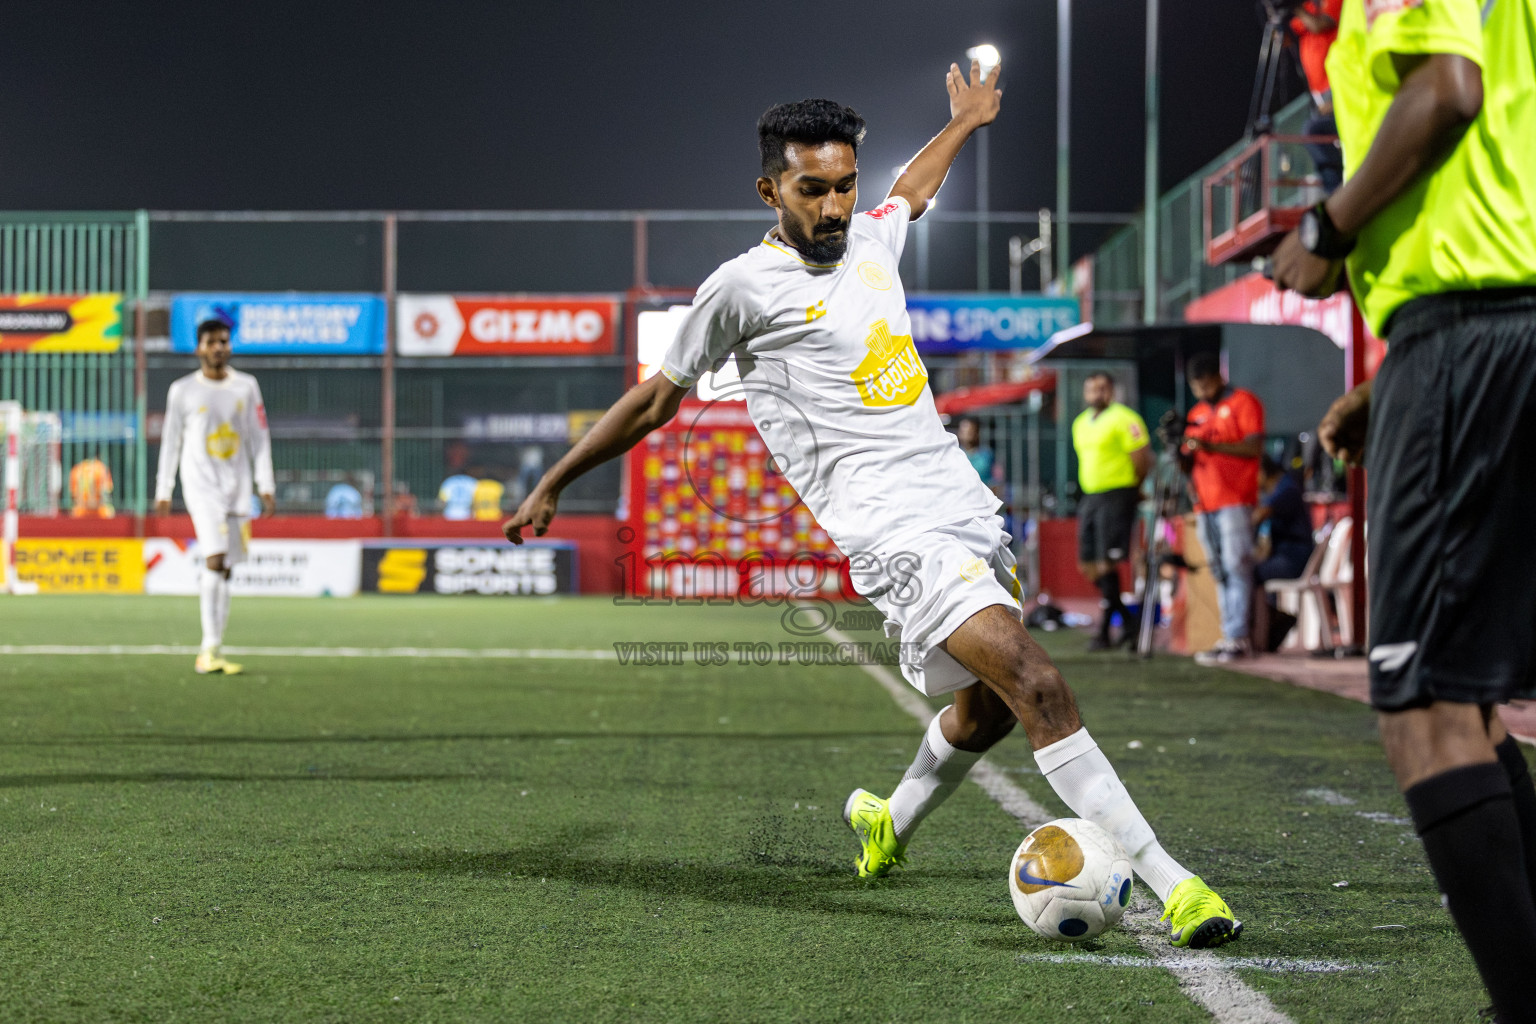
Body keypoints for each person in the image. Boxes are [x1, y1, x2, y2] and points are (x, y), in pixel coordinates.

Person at [504, 64, 1242, 949]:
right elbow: (655, 399)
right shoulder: (741, 288)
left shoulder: (869, 237)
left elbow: (910, 192)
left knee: (988, 712)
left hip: (964, 508)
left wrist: (964, 122)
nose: (833, 206)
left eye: (844, 185)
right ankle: (1176, 885)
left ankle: (888, 820)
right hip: (893, 535)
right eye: (811, 190)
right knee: (1040, 683)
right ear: (770, 190)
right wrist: (555, 479)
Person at [1271, 0, 1536, 1017]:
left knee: (1426, 709)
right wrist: (1391, 385)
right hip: (1487, 334)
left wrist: (1326, 228)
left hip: (1467, 335)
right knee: (1470, 695)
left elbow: (1445, 92)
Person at [154, 319, 274, 676]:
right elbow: (171, 441)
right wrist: (164, 488)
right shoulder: (183, 391)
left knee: (227, 567)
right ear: (199, 348)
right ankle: (206, 649)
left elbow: (259, 437)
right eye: (211, 342)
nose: (218, 347)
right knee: (215, 558)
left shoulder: (246, 387)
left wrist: (265, 483)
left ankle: (216, 646)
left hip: (237, 488)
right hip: (200, 486)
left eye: (223, 341)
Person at [1178, 353, 1264, 665]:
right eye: (1195, 386)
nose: (1201, 390)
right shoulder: (1197, 413)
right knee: (1218, 569)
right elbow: (1187, 464)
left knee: (1236, 565)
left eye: (1205, 383)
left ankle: (1238, 636)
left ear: (1218, 377)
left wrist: (1209, 446)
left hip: (1235, 499)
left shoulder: (1243, 402)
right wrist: (1177, 449)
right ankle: (1229, 635)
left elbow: (1253, 446)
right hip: (1204, 502)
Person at [1070, 372, 1152, 650]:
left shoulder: (1125, 418)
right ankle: (1128, 622)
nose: (1097, 393)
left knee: (1107, 562)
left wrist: (1133, 489)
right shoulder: (1080, 423)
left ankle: (1105, 631)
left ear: (1112, 391)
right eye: (1092, 389)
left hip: (1117, 494)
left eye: (1102, 388)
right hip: (1090, 496)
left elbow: (1142, 459)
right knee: (1089, 564)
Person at [1291, 0, 1344, 193]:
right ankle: (1338, 191)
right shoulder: (1309, 8)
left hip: (1337, 86)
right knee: (1323, 140)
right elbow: (1288, 35)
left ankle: (1337, 193)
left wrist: (1295, 9)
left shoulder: (1332, 2)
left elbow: (1318, 25)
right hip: (1319, 93)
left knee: (1314, 132)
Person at [1252, 455, 1313, 588]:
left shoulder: (1286, 488)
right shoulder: (1282, 486)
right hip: (1289, 555)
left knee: (1248, 574)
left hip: (1295, 559)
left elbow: (1259, 516)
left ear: (1262, 472)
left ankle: (1261, 604)